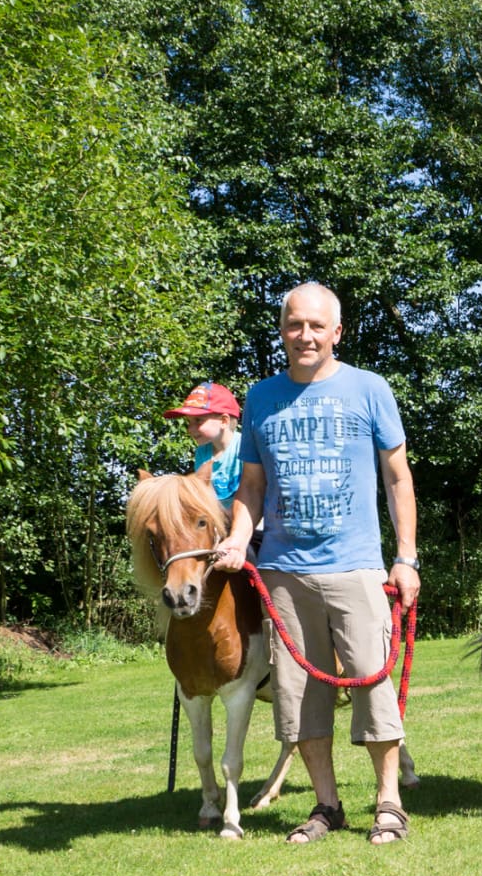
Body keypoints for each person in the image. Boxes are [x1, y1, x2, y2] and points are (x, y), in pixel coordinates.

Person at [213, 281, 421, 845]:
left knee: (373, 686)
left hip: (357, 567)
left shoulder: (369, 388)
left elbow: (398, 478)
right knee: (298, 697)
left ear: (336, 332)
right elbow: (251, 487)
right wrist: (237, 538)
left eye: (315, 326)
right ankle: (327, 806)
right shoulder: (261, 397)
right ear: (283, 331)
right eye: (294, 325)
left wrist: (405, 558)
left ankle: (389, 803)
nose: (304, 335)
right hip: (283, 573)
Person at [164, 381, 243, 507]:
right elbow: (203, 494)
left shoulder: (244, 446)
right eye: (189, 422)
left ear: (224, 421)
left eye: (198, 420)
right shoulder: (202, 452)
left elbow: (255, 490)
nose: (190, 429)